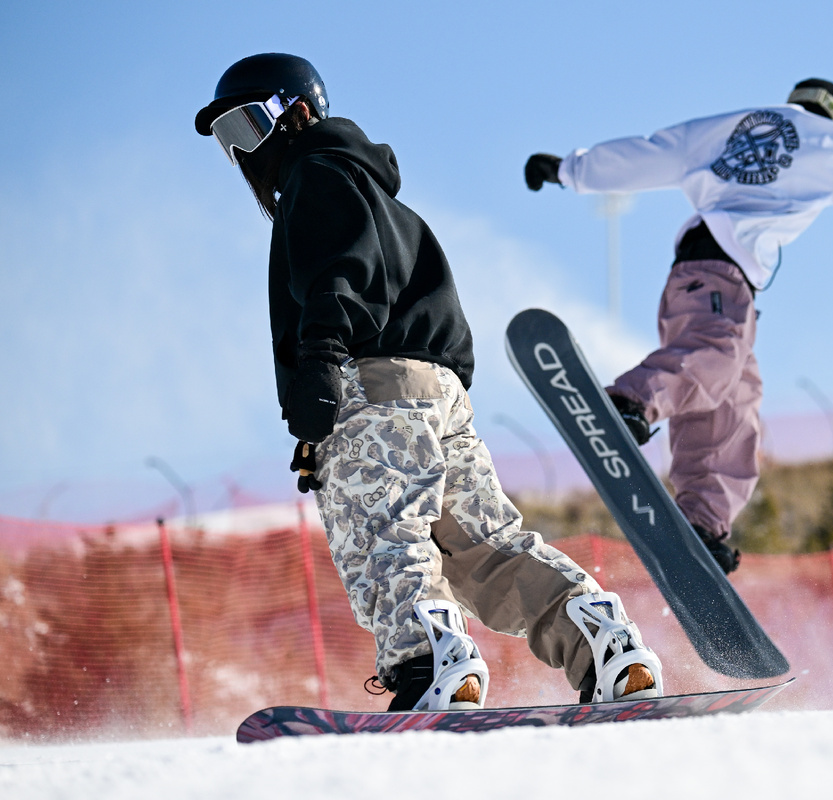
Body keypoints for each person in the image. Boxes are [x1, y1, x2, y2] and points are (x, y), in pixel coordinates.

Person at [194, 53, 662, 711]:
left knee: (380, 535)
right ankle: (606, 645)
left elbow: (338, 274)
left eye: (247, 127)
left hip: (369, 383)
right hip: (439, 397)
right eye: (227, 141)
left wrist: (322, 368)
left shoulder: (315, 176)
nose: (244, 153)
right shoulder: (384, 201)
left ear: (297, 112)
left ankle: (429, 669)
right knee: (489, 549)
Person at [525, 79, 833, 574]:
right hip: (720, 279)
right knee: (717, 354)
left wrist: (570, 169)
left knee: (737, 400)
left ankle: (702, 521)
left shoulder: (735, 126)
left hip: (703, 276)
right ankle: (628, 402)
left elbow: (654, 152)